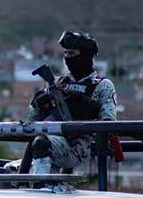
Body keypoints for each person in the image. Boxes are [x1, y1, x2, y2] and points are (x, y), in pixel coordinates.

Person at [26, 31, 117, 173]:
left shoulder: (102, 86)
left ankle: (40, 183)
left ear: (85, 55)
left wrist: (84, 104)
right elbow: (31, 119)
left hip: (76, 145)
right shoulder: (57, 83)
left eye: (72, 54)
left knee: (40, 143)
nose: (68, 58)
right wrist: (37, 104)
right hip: (50, 137)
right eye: (66, 54)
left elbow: (108, 123)